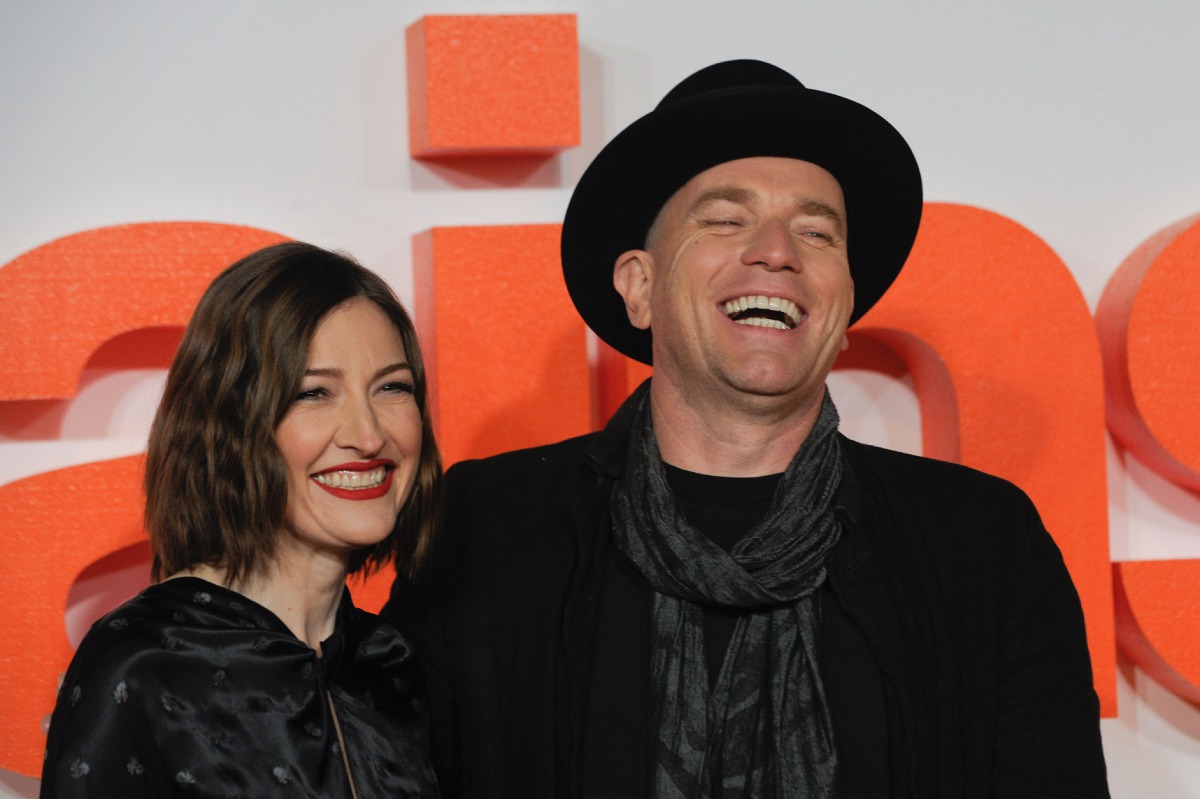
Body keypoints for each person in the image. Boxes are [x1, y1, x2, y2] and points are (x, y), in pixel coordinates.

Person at [384, 59, 1110, 798]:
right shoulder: (486, 528)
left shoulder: (981, 543)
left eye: (816, 232)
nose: (777, 251)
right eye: (725, 219)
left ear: (846, 303)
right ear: (640, 286)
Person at [41, 242, 442, 798]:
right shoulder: (145, 663)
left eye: (393, 387)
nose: (369, 436)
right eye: (314, 393)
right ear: (230, 424)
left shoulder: (390, 663)